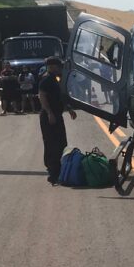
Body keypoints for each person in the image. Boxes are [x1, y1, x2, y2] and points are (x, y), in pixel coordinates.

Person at [38, 57, 77, 185]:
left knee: (61, 142)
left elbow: (60, 96)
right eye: (58, 66)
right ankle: (53, 172)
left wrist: (69, 109)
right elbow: (42, 97)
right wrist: (49, 113)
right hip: (49, 116)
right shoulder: (46, 79)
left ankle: (59, 169)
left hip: (57, 115)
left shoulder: (55, 79)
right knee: (51, 143)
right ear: (52, 67)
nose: (60, 68)